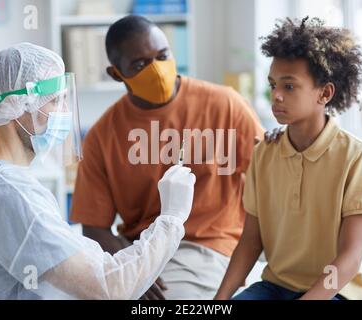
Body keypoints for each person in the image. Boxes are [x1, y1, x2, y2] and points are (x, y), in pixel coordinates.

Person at [0, 42, 196, 300]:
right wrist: (171, 218)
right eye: (56, 101)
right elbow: (109, 288)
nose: (65, 113)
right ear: (18, 105)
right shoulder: (13, 195)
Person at [69, 15, 272, 300]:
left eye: (163, 56)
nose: (157, 70)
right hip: (142, 246)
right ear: (116, 73)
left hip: (205, 246)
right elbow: (93, 225)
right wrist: (132, 266)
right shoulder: (103, 134)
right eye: (139, 65)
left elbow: (274, 177)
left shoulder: (225, 105)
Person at [215, 17, 362, 300]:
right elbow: (250, 241)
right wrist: (219, 301)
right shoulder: (264, 153)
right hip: (276, 287)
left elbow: (350, 258)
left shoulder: (357, 157)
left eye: (289, 86)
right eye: (273, 85)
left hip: (339, 291)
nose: (276, 96)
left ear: (325, 93)